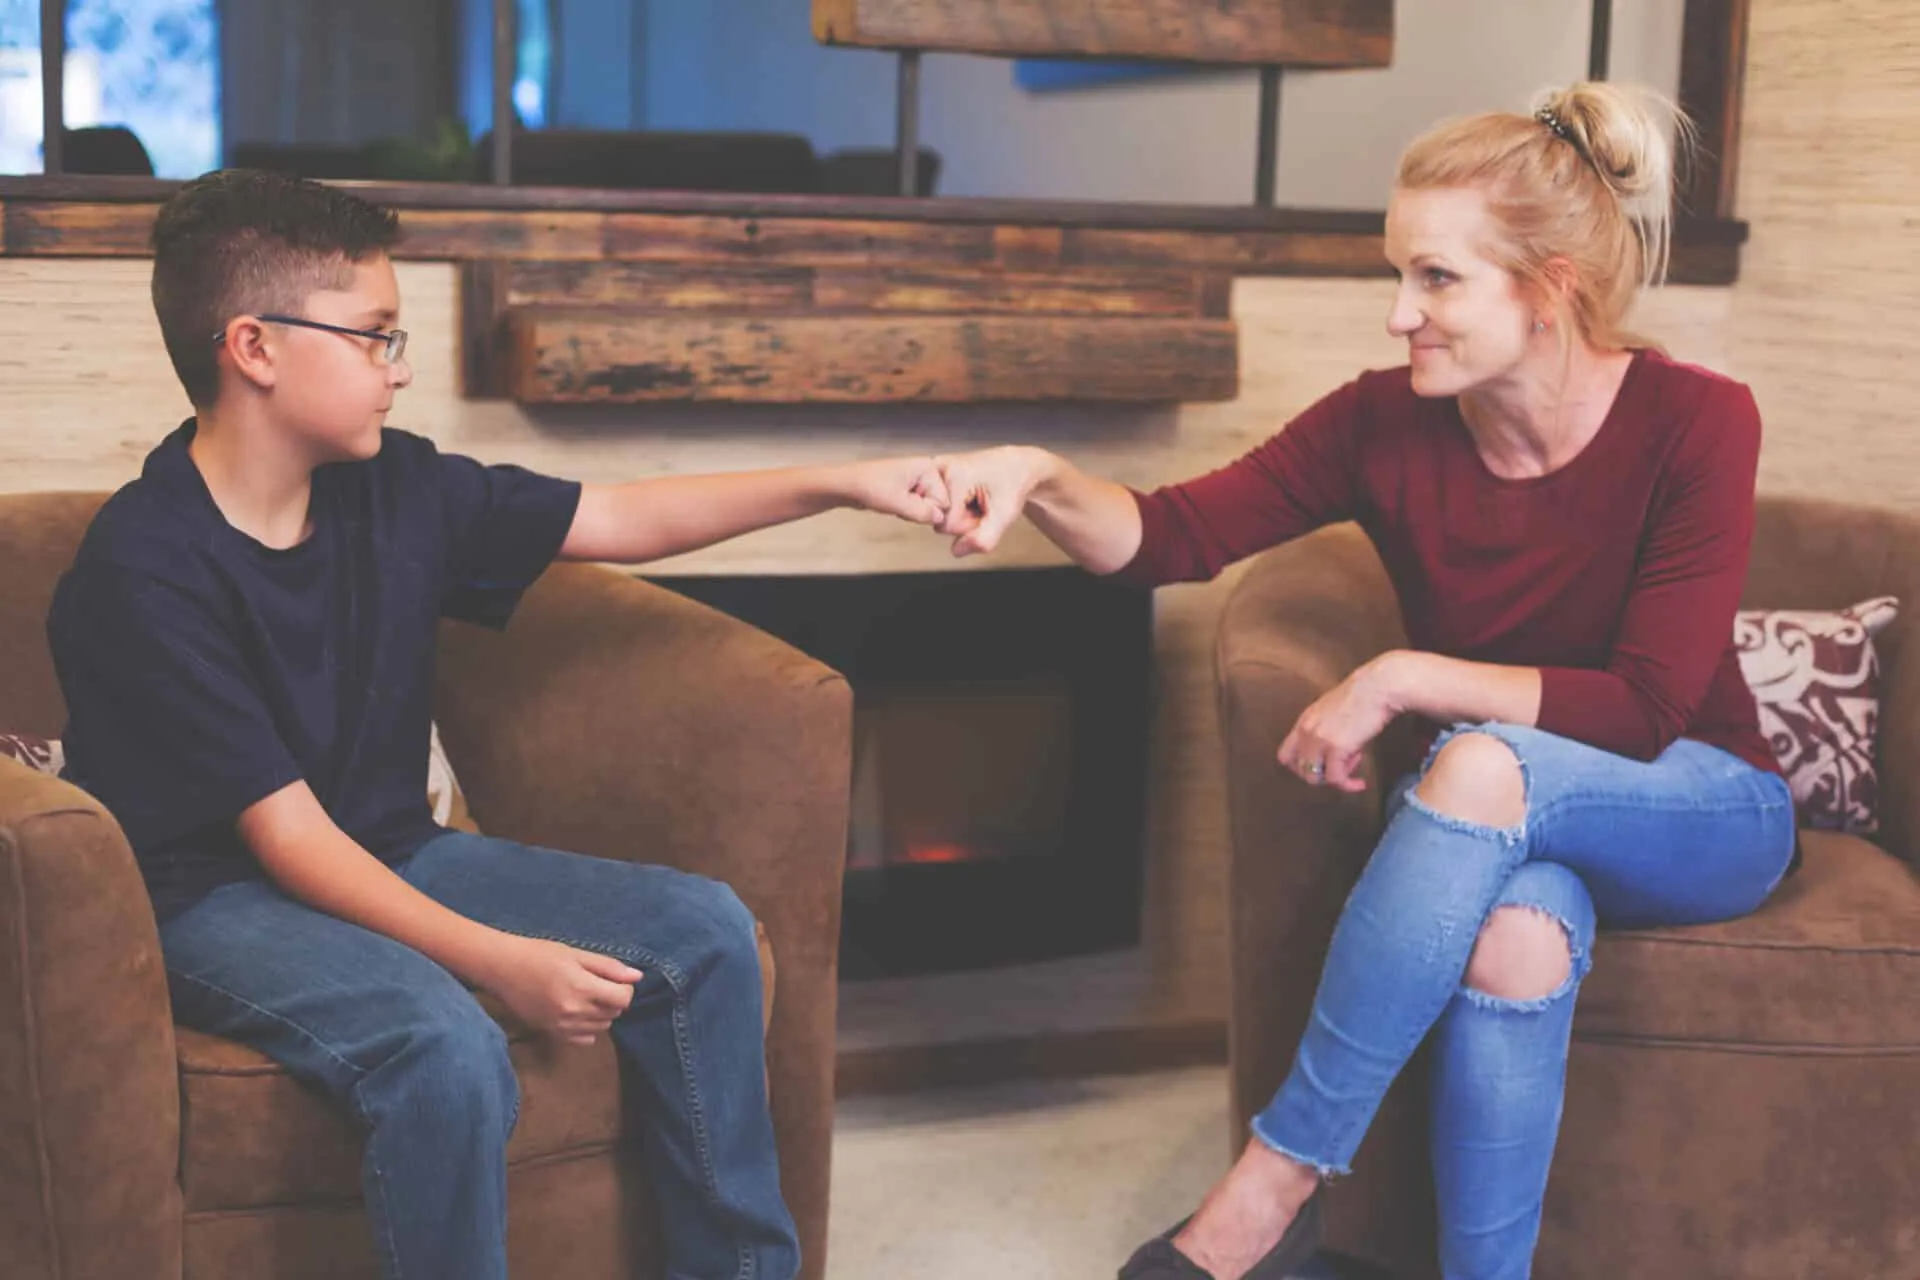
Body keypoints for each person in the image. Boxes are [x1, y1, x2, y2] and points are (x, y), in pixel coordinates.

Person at [932, 82, 1797, 1280]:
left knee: (1478, 759)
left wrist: (1397, 675)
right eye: (1398, 275)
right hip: (1510, 818)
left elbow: (1647, 706)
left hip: (1701, 802)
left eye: (1436, 279)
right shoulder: (1380, 425)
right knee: (1512, 944)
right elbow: (1168, 537)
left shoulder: (1699, 420)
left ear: (1548, 289)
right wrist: (1035, 473)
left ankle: (1271, 1186)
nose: (1401, 314)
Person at [47, 168, 953, 1280]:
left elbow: (617, 516)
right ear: (256, 346)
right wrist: (502, 961)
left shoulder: (396, 488)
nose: (403, 369)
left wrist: (847, 479)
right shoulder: (143, 568)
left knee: (706, 931)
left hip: (390, 845)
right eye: (377, 337)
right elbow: (286, 839)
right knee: (446, 1045)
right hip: (207, 897)